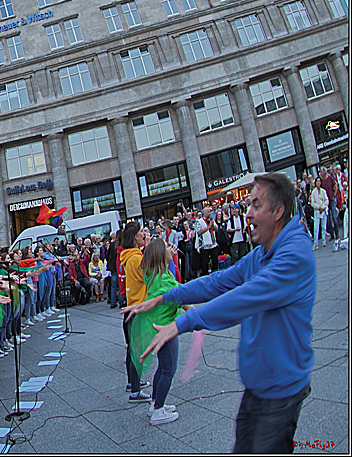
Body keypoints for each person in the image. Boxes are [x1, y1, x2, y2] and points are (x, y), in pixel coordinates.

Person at [124, 173, 315, 453]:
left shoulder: (293, 255)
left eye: (256, 205)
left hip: (280, 390)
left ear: (278, 212)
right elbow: (219, 281)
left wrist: (182, 323)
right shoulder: (262, 252)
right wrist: (165, 297)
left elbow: (244, 298)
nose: (247, 213)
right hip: (260, 385)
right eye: (248, 205)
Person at [129, 239, 188, 425]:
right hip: (165, 327)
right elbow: (184, 298)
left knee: (162, 367)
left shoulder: (155, 275)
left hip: (157, 326)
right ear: (161, 255)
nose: (171, 248)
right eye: (166, 247)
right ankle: (158, 411)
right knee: (169, 369)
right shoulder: (164, 279)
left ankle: (156, 404)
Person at [119, 221, 151, 403]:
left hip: (132, 306)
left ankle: (133, 383)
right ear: (134, 237)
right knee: (136, 350)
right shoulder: (135, 258)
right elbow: (147, 277)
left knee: (132, 348)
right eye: (140, 232)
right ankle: (135, 391)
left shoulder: (129, 256)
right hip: (138, 306)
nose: (143, 234)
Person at [310, 177, 329, 250]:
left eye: (319, 181)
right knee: (316, 228)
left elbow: (326, 200)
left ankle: (324, 241)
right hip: (317, 211)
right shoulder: (313, 192)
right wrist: (318, 207)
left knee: (323, 227)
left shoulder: (323, 191)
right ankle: (316, 244)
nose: (318, 183)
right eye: (317, 181)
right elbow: (312, 203)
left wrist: (323, 207)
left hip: (323, 210)